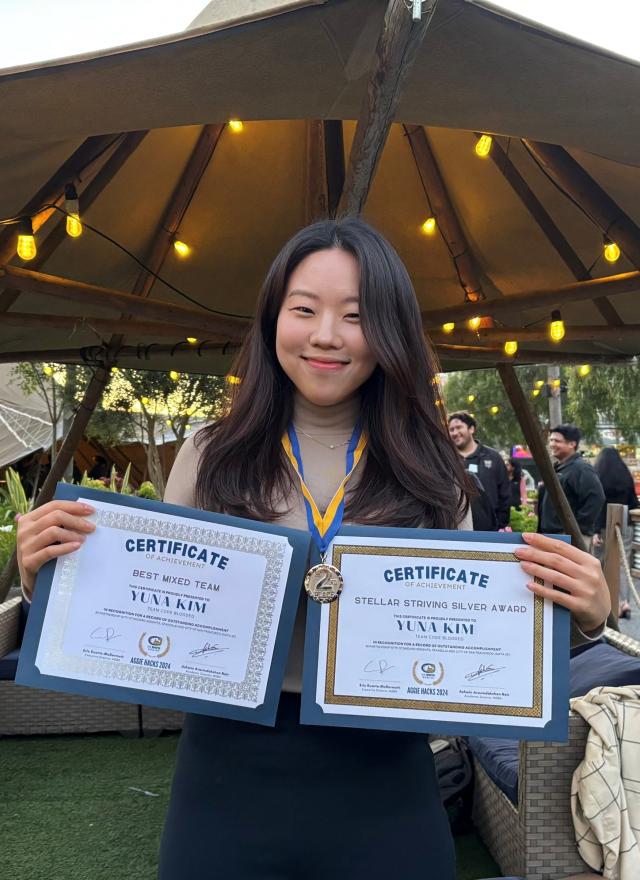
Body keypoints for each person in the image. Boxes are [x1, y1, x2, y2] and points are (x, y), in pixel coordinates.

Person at [15, 218, 611, 880]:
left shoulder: (432, 467)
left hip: (387, 784)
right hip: (226, 780)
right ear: (273, 319)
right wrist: (50, 573)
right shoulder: (210, 455)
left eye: (356, 316)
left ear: (390, 332)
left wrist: (583, 618)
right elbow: (144, 603)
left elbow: (474, 635)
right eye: (304, 309)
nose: (326, 334)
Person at [539, 424, 605, 552]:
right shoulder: (557, 468)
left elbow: (596, 497)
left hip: (569, 538)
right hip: (554, 536)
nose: (552, 444)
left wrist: (577, 528)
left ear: (572, 444)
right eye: (551, 440)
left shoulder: (580, 468)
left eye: (557, 441)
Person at [593, 446, 639, 618]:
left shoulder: (599, 475)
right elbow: (634, 501)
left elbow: (598, 504)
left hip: (604, 524)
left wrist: (596, 530)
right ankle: (624, 602)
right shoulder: (625, 475)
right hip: (626, 523)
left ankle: (603, 602)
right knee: (623, 563)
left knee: (601, 561)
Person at [448, 411, 511, 530]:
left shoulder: (493, 457)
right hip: (456, 531)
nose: (455, 433)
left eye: (459, 427)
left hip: (489, 532)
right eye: (451, 429)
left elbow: (505, 494)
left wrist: (499, 525)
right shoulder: (446, 459)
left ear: (471, 429)